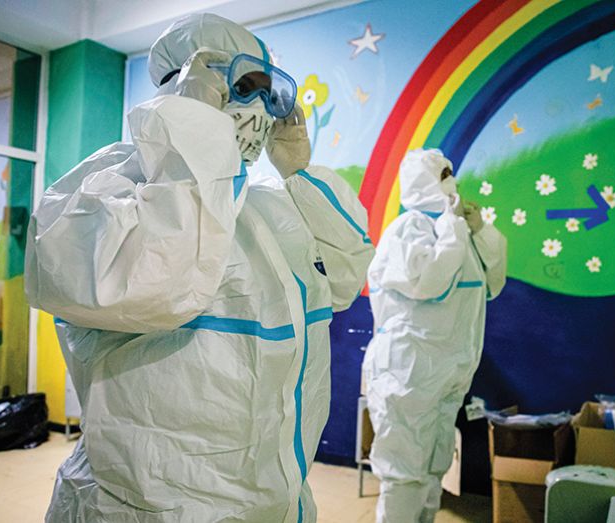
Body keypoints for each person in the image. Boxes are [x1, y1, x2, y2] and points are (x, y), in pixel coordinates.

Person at [25, 13, 374, 522]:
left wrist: (298, 171)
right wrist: (192, 132)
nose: (259, 107)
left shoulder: (270, 210)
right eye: (243, 85)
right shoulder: (109, 189)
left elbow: (343, 278)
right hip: (151, 509)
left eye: (270, 92)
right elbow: (158, 283)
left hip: (274, 501)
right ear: (188, 84)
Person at [362, 148, 507, 523]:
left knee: (433, 465)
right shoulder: (408, 229)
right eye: (442, 174)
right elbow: (431, 282)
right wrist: (455, 227)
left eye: (449, 172)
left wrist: (480, 230)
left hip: (447, 370)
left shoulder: (454, 231)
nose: (451, 181)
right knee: (404, 471)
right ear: (421, 181)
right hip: (408, 372)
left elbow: (493, 283)